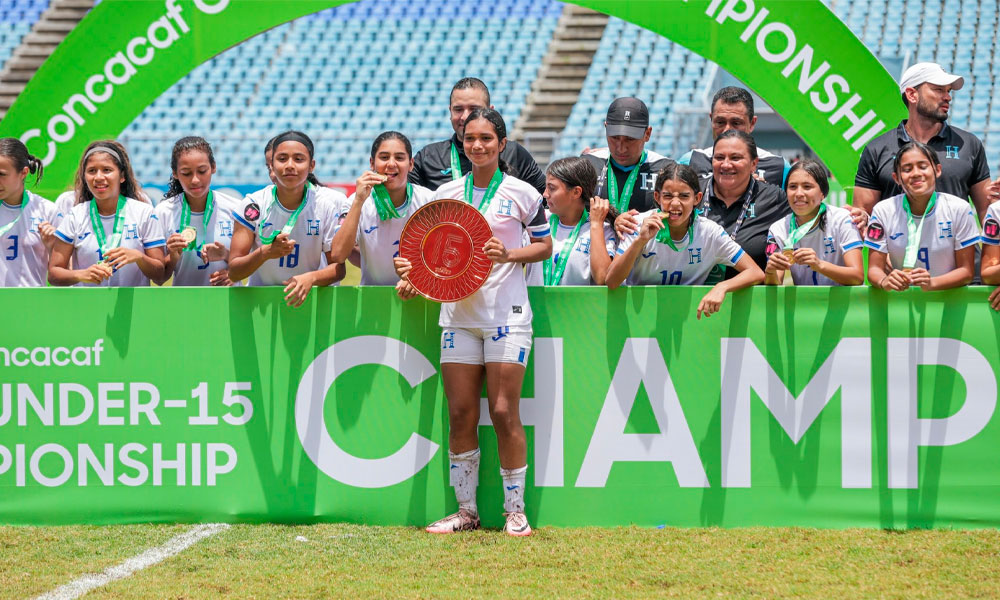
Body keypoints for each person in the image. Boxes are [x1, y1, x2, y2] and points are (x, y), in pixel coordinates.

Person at [395, 107, 551, 537]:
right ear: (460, 144)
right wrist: (411, 272)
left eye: (486, 138)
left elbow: (544, 247)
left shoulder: (523, 193)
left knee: (503, 412)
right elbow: (430, 251)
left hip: (508, 316)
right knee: (461, 414)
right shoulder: (445, 192)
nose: (477, 145)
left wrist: (510, 255)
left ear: (502, 144)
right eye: (469, 138)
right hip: (458, 318)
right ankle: (466, 511)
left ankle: (515, 511)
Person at [607, 163, 764, 318]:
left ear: (697, 198)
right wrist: (640, 241)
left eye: (684, 196)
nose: (675, 204)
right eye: (668, 196)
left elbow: (755, 272)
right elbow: (612, 281)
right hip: (638, 316)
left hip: (689, 319)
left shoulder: (710, 232)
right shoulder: (637, 224)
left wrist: (722, 287)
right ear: (657, 197)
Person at [855, 62, 999, 221]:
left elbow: (987, 211)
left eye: (948, 91)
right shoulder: (877, 149)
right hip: (900, 246)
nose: (948, 97)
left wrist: (996, 203)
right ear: (911, 94)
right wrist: (861, 218)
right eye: (938, 89)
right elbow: (864, 214)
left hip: (959, 246)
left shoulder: (969, 144)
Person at [229, 131, 346, 304]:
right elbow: (234, 271)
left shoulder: (325, 206)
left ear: (311, 165)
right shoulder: (253, 205)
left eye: (299, 159)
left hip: (309, 301)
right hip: (260, 304)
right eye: (282, 159)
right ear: (272, 165)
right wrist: (265, 253)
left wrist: (311, 278)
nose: (290, 165)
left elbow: (338, 268)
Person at [49, 141, 166, 286]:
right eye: (92, 171)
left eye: (106, 170)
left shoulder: (144, 212)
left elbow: (160, 275)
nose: (98, 177)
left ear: (122, 176)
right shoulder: (75, 215)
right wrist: (80, 274)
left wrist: (139, 257)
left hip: (134, 308)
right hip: (87, 307)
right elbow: (54, 274)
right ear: (84, 177)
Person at [865, 140, 977, 291]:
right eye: (907, 169)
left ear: (937, 170)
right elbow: (873, 270)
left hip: (948, 304)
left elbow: (966, 272)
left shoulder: (959, 208)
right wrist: (884, 281)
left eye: (923, 167)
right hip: (902, 303)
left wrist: (932, 283)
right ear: (897, 178)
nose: (916, 174)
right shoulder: (883, 210)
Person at [329, 131, 434, 287]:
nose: (391, 164)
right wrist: (358, 201)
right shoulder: (357, 201)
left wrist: (419, 278)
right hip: (374, 299)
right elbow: (338, 254)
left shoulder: (429, 200)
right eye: (384, 157)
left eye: (399, 158)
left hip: (419, 295)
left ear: (411, 164)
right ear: (372, 163)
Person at [409, 77, 545, 193]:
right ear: (450, 111)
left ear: (490, 111)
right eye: (458, 109)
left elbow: (546, 200)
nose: (465, 116)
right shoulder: (429, 157)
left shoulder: (514, 153)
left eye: (474, 109)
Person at [699, 130, 790, 282]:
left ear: (754, 164)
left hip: (753, 301)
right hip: (692, 299)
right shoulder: (691, 193)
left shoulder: (774, 199)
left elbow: (810, 220)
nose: (726, 164)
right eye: (719, 157)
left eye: (736, 158)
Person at [581, 97, 673, 237]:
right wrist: (613, 221)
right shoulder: (588, 165)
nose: (621, 148)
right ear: (606, 128)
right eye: (615, 137)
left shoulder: (666, 169)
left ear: (647, 134)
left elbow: (677, 217)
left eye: (630, 139)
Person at [764, 159, 864, 286]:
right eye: (793, 187)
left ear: (822, 193)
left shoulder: (842, 219)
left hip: (844, 305)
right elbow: (774, 283)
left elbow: (857, 276)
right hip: (804, 304)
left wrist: (819, 265)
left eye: (807, 187)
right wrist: (770, 272)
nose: (799, 193)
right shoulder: (778, 229)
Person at [155, 136, 241, 286]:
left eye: (202, 171)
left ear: (213, 167)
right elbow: (159, 278)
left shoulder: (235, 208)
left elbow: (253, 261)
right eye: (186, 173)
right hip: (184, 305)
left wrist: (231, 271)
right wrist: (173, 255)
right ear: (175, 173)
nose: (195, 180)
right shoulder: (163, 212)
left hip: (229, 303)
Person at [678, 86, 790, 187]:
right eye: (720, 122)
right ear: (711, 120)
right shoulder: (691, 161)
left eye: (736, 123)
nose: (727, 129)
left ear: (752, 124)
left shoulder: (778, 167)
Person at [540, 157, 615, 285]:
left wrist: (596, 225)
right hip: (535, 305)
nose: (545, 194)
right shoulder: (538, 220)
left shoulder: (601, 229)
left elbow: (602, 278)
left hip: (577, 305)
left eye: (551, 188)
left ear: (576, 192)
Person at [0, 138, 57, 287]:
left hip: (32, 306)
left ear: (23, 172)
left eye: (1, 174)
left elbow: (63, 274)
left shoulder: (47, 210)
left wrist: (53, 247)